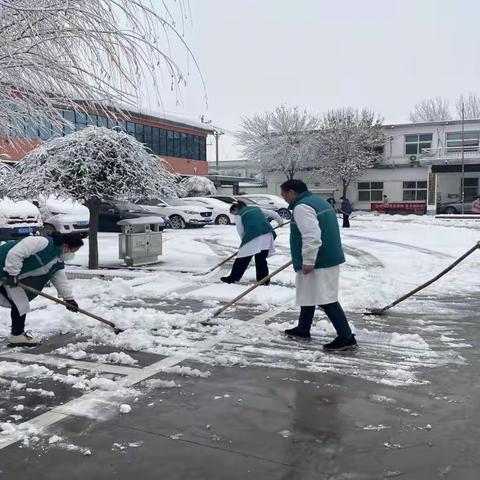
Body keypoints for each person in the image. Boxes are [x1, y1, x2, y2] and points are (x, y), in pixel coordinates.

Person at [280, 179, 357, 352]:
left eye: (284, 193)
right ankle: (303, 329)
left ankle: (346, 337)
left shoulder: (302, 207)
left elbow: (312, 235)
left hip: (319, 261)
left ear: (292, 192)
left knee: (326, 299)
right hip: (324, 258)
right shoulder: (317, 201)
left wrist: (308, 260)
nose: (283, 197)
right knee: (308, 294)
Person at [0, 232, 84, 346]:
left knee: (20, 303)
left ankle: (17, 335)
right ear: (66, 246)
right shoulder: (43, 242)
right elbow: (16, 253)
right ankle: (17, 335)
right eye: (73, 251)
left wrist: (69, 299)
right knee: (20, 303)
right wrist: (12, 274)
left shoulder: (57, 261)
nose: (73, 254)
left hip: (7, 277)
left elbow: (60, 279)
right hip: (5, 271)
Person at [221, 200, 276, 285]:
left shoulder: (239, 214)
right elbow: (273, 213)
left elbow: (241, 231)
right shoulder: (256, 208)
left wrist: (244, 243)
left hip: (254, 235)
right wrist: (281, 222)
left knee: (242, 259)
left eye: (233, 213)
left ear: (236, 209)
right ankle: (264, 280)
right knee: (261, 259)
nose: (234, 215)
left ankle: (232, 278)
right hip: (267, 235)